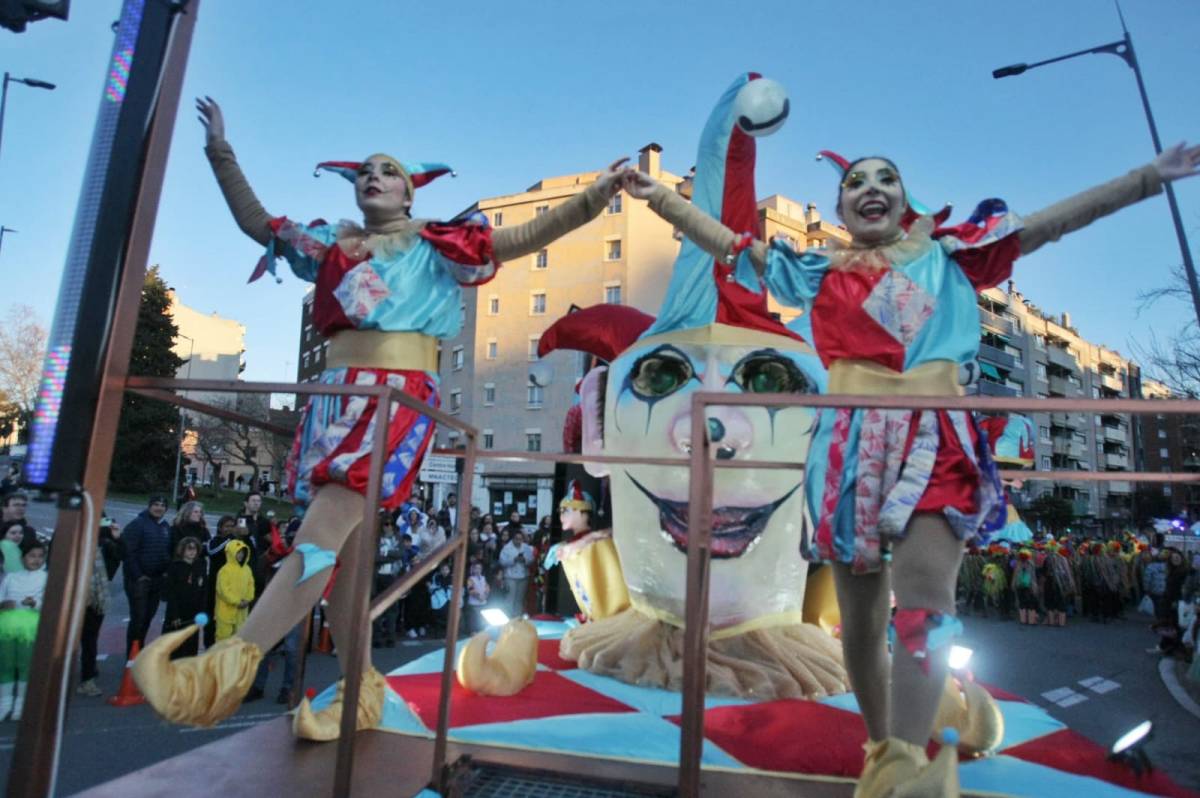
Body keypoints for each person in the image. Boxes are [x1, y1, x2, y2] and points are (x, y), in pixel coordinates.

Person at [627, 103, 1200, 792]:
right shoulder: (816, 273)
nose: (871, 186)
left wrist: (1150, 176)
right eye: (856, 181)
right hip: (848, 445)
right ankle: (885, 750)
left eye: (886, 178)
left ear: (902, 201)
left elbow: (1050, 223)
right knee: (863, 622)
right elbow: (726, 244)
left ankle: (904, 763)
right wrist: (661, 197)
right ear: (842, 206)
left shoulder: (952, 258)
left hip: (936, 439)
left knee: (925, 599)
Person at [0, 538, 48, 721]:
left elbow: (50, 605)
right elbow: (1, 598)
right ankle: (4, 703)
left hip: (31, 626)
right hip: (6, 625)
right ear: (22, 558)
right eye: (31, 556)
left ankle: (21, 703)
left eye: (40, 556)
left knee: (25, 664)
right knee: (5, 664)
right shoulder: (11, 577)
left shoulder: (46, 578)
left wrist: (35, 603)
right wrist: (4, 604)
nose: (36, 560)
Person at [78, 516, 123, 698]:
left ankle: (88, 675)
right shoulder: (74, 538)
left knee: (90, 637)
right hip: (75, 594)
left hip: (97, 596)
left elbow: (122, 556)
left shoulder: (106, 542)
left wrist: (117, 538)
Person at [122, 496, 172, 658]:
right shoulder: (137, 524)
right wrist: (138, 576)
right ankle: (132, 656)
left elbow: (167, 551)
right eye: (156, 504)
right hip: (139, 581)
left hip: (157, 580)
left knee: (147, 619)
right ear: (149, 506)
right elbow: (128, 552)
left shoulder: (165, 526)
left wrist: (165, 572)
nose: (159, 508)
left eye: (162, 505)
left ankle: (139, 650)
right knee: (138, 619)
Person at [162, 537, 208, 659]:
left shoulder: (200, 566)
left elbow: (204, 590)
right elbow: (171, 593)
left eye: (195, 549)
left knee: (191, 643)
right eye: (189, 549)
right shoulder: (175, 567)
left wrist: (202, 610)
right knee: (175, 644)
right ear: (182, 550)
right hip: (178, 611)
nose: (192, 552)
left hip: (193, 612)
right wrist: (174, 615)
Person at [214, 539, 254, 642]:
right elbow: (223, 590)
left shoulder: (247, 569)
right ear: (231, 553)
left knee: (239, 637)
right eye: (237, 552)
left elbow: (251, 585)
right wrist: (237, 601)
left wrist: (248, 599)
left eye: (242, 552)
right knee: (223, 637)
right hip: (226, 611)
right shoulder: (224, 570)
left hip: (242, 611)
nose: (240, 555)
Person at [498, 531, 533, 620]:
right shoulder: (506, 548)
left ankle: (517, 618)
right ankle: (508, 618)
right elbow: (502, 561)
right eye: (516, 539)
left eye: (520, 539)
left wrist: (524, 560)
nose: (518, 541)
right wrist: (514, 560)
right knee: (510, 598)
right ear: (513, 539)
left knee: (519, 599)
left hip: (523, 576)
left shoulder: (526, 547)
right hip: (510, 576)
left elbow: (531, 559)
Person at [466, 560, 490, 633]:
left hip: (483, 602)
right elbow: (470, 589)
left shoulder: (483, 578)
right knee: (474, 619)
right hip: (474, 603)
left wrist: (485, 595)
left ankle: (480, 631)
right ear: (473, 569)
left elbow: (487, 587)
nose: (478, 570)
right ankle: (473, 632)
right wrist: (478, 596)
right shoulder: (470, 579)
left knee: (481, 619)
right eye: (476, 568)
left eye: (479, 568)